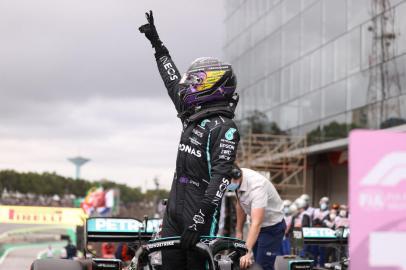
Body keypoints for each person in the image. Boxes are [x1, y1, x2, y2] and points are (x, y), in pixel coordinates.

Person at [139, 11, 240, 270]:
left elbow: (220, 179)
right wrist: (158, 46)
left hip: (200, 216)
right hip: (174, 211)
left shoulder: (225, 128)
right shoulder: (191, 114)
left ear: (215, 86)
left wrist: (199, 220)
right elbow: (172, 81)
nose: (189, 86)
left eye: (197, 82)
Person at [232, 165, 286, 270]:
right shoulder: (237, 178)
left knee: (262, 266)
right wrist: (238, 231)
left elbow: (257, 223)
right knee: (253, 265)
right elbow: (240, 204)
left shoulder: (257, 187)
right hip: (256, 227)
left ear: (237, 176)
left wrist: (247, 252)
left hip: (272, 228)